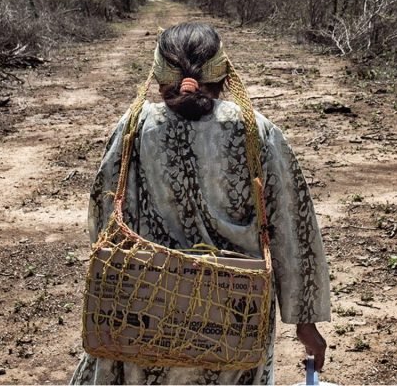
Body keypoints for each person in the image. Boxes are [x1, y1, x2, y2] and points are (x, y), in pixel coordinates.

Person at [71, 22, 331, 385]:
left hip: (147, 312)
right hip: (235, 321)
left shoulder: (135, 127)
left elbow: (103, 216)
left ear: (160, 73)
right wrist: (305, 321)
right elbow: (292, 225)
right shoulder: (257, 131)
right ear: (223, 73)